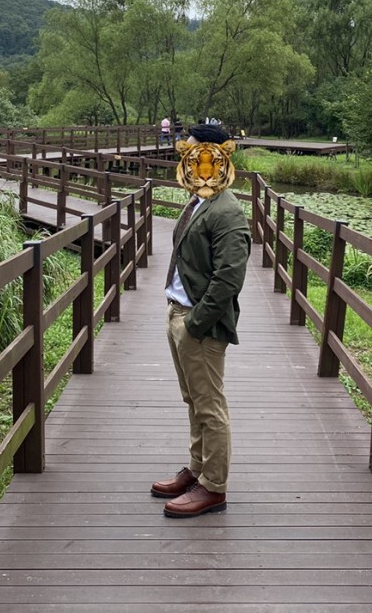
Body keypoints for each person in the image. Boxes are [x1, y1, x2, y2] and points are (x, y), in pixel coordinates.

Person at [151, 123, 251, 518]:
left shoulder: (227, 211)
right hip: (179, 311)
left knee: (210, 406)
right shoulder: (200, 201)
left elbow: (230, 277)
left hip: (199, 324)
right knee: (194, 400)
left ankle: (214, 486)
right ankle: (197, 469)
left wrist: (195, 322)